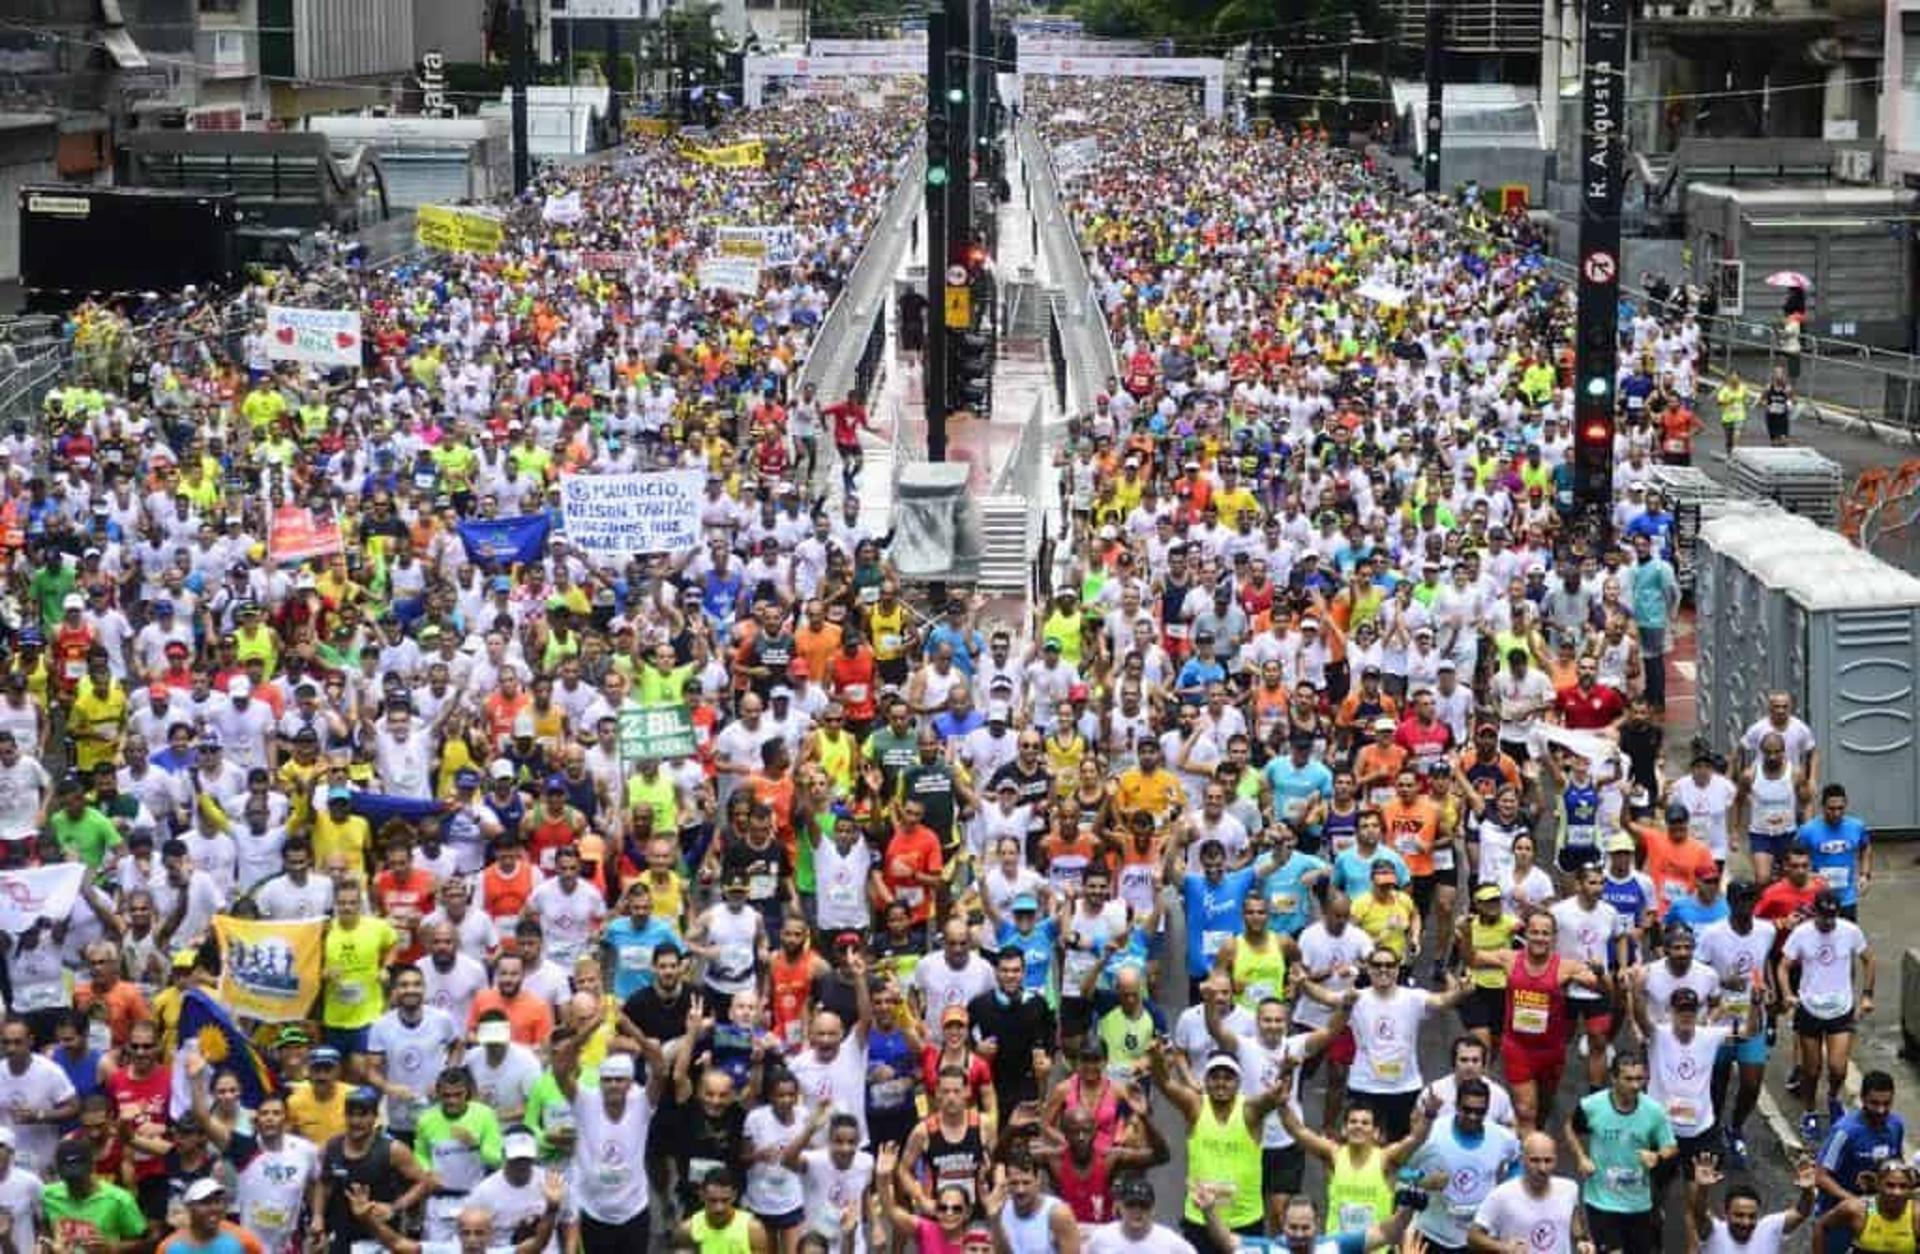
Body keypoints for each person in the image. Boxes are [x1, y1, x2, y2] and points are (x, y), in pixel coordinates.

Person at [1148, 1040, 1295, 1252]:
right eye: (1214, 1077)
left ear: (1238, 1082)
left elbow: (1273, 1096)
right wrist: (1156, 1057)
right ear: (1205, 1081)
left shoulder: (1249, 1110)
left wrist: (1286, 1070)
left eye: (1228, 1078)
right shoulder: (1195, 1106)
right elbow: (1165, 1083)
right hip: (1200, 1218)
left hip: (1244, 1221)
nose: (1221, 1083)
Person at [1778, 888, 1874, 1142]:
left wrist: (1866, 995)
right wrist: (1788, 994)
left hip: (1841, 1008)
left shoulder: (1850, 931)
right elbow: (1784, 966)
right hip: (1810, 1008)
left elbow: (1868, 960)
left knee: (1838, 1067)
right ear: (1815, 912)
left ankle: (1833, 1097)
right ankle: (1809, 1110)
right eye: (1823, 916)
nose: (1828, 922)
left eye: (1832, 916)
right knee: (1811, 1070)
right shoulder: (1801, 934)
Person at [1468, 1131, 1594, 1254]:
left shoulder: (1569, 1189)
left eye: (1548, 1160)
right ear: (1523, 1160)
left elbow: (1574, 1225)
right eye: (1535, 1160)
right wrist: (1503, 1248)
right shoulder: (1501, 1195)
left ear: (1555, 1160)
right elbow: (1473, 1237)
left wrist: (1581, 1242)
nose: (1542, 1168)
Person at [1685, 1151, 1816, 1254]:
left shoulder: (1770, 1228)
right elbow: (1699, 1213)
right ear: (1726, 1214)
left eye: (1752, 1216)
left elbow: (1801, 1212)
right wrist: (1702, 1188)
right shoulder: (1713, 1232)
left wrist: (1808, 1191)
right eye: (1739, 1215)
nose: (1746, 1222)